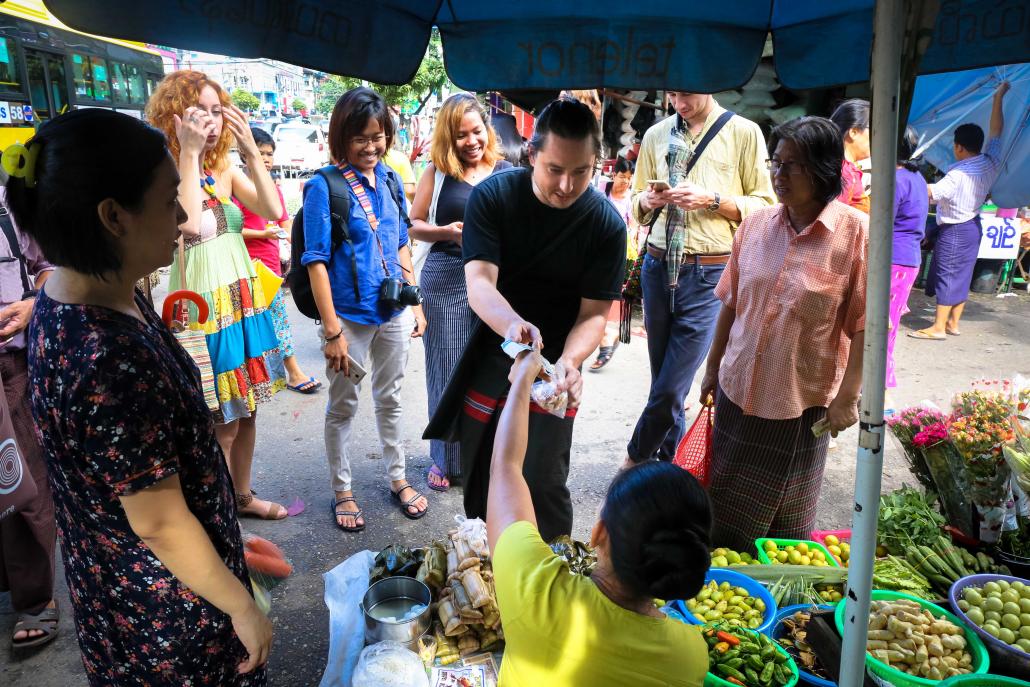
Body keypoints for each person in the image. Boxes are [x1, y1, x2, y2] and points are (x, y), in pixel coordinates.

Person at [13, 108, 270, 685]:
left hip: (125, 580)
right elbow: (159, 522)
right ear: (113, 217)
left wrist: (222, 528)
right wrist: (239, 604)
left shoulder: (76, 293)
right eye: (167, 201)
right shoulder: (109, 358)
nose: (183, 217)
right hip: (162, 611)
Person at [426, 98, 627, 541]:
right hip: (494, 346)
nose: (566, 185)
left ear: (597, 164)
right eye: (555, 169)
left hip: (555, 367)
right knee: (483, 470)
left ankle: (551, 570)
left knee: (543, 476)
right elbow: (479, 283)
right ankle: (485, 563)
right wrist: (515, 326)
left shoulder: (606, 225)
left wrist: (571, 361)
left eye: (581, 172)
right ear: (532, 154)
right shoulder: (492, 198)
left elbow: (594, 314)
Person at [488, 348, 711, 686]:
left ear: (598, 533)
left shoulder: (535, 589)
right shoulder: (690, 656)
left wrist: (521, 380)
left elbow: (506, 467)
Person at [699, 116, 868, 551]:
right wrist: (712, 365)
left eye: (794, 165)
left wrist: (849, 395)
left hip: (799, 404)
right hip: (738, 391)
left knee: (781, 528)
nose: (780, 174)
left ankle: (774, 596)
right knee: (722, 509)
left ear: (825, 169)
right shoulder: (755, 227)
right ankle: (720, 577)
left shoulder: (853, 235)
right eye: (776, 162)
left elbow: (867, 323)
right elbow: (731, 302)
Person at [147, 70, 288, 520]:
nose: (211, 121)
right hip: (204, 310)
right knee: (220, 425)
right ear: (175, 114)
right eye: (199, 111)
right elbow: (186, 223)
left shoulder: (221, 168)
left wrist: (250, 153)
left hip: (242, 302)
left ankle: (241, 499)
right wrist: (188, 151)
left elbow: (272, 209)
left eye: (215, 110)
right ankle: (217, 517)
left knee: (247, 412)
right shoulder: (165, 170)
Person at [301, 87, 428, 532]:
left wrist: (414, 301)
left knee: (390, 399)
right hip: (348, 320)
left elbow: (399, 242)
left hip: (393, 313)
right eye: (360, 138)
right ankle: (343, 490)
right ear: (342, 137)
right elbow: (315, 261)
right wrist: (332, 332)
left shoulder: (391, 179)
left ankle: (398, 477)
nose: (371, 146)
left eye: (378, 136)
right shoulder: (323, 187)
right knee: (343, 405)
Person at [625, 91, 775, 465]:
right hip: (658, 267)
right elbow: (634, 198)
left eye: (686, 94)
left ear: (708, 86)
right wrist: (647, 201)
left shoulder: (744, 132)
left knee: (672, 388)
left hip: (710, 271)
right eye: (672, 94)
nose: (679, 102)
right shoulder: (657, 134)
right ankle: (667, 466)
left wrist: (712, 200)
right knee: (662, 379)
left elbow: (766, 205)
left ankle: (634, 462)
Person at [409, 93, 510, 492]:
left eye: (477, 131)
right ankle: (445, 459)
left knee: (493, 370)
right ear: (448, 137)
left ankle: (485, 456)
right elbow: (413, 224)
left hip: (495, 280)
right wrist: (445, 231)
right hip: (447, 275)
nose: (471, 141)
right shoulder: (437, 171)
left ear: (487, 129)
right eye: (461, 134)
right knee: (446, 371)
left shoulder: (506, 172)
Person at [0, 193, 56, 650]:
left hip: (10, 365)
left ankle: (35, 600)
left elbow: (49, 267)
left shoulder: (10, 204)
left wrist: (35, 304)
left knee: (20, 481)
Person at [911, 81, 1009, 340]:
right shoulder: (990, 161)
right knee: (962, 275)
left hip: (955, 229)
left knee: (947, 274)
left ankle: (938, 327)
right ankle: (953, 323)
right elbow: (997, 131)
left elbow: (932, 194)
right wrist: (999, 98)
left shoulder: (958, 174)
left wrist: (909, 179)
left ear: (959, 147)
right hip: (973, 227)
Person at [237, 126, 321, 394]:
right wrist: (263, 232)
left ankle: (287, 373)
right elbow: (228, 227)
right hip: (244, 266)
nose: (265, 159)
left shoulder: (273, 187)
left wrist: (290, 249)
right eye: (260, 153)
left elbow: (284, 222)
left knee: (276, 319)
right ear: (243, 153)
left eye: (269, 154)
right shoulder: (234, 184)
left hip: (271, 265)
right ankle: (289, 373)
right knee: (256, 324)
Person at [886, 128, 929, 390]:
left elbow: (881, 221)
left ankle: (881, 388)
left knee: (882, 325)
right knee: (888, 324)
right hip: (907, 260)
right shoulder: (917, 177)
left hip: (893, 260)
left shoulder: (896, 179)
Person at [591, 157, 638, 371]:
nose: (625, 182)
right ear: (613, 175)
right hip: (597, 246)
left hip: (621, 251)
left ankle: (607, 339)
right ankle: (608, 337)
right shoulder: (601, 188)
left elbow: (634, 227)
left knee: (609, 294)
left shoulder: (630, 199)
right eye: (622, 177)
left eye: (629, 178)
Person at [829, 98, 871, 213]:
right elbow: (831, 219)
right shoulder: (844, 172)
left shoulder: (841, 168)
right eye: (873, 129)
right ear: (854, 132)